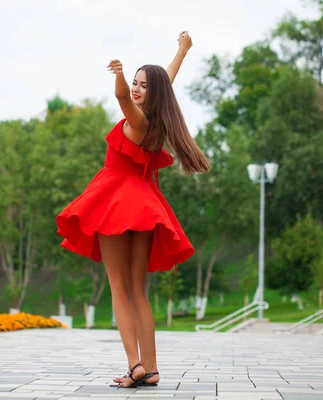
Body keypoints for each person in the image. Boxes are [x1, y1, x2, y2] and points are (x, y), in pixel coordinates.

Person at [55, 31, 210, 389]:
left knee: (119, 287)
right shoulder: (157, 118)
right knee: (138, 290)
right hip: (144, 205)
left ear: (151, 93)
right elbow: (165, 80)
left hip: (115, 202)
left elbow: (123, 97)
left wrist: (121, 76)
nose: (139, 89)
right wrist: (182, 50)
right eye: (137, 83)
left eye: (144, 86)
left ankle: (134, 365)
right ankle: (151, 368)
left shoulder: (137, 121)